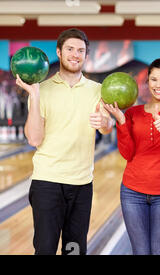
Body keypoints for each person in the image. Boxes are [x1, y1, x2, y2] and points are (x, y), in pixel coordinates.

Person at [15, 28, 114, 255]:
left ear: (86, 55)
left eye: (80, 50)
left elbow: (107, 129)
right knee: (45, 249)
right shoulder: (42, 89)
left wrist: (106, 123)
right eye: (70, 49)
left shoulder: (98, 90)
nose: (75, 54)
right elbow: (34, 139)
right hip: (47, 182)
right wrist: (35, 95)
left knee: (75, 250)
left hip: (82, 183)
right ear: (59, 52)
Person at [103, 58, 160, 255]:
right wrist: (121, 120)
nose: (159, 85)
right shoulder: (132, 113)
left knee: (159, 250)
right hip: (132, 192)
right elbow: (127, 153)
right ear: (147, 81)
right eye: (154, 79)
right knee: (140, 251)